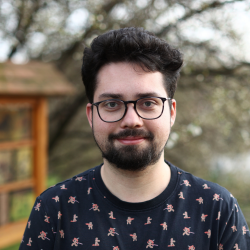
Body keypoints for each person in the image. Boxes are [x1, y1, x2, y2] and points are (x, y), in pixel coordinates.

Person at [19, 27, 250, 250]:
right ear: (91, 115)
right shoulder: (54, 210)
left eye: (148, 103)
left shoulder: (218, 210)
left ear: (171, 112)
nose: (131, 120)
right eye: (111, 104)